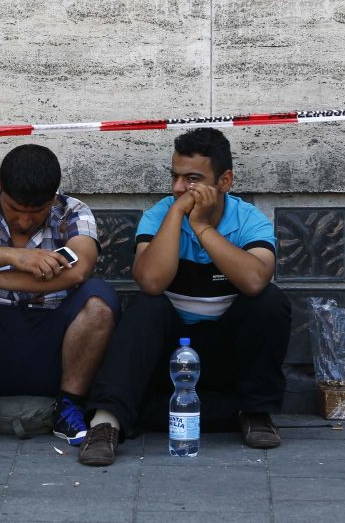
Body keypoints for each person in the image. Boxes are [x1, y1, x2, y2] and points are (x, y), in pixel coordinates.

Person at [78, 127, 292, 466]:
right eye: (175, 177)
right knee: (145, 306)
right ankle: (106, 424)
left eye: (192, 179)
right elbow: (150, 281)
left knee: (269, 301)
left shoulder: (248, 220)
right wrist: (178, 215)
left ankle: (254, 411)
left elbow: (254, 280)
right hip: (171, 356)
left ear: (224, 181)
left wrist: (204, 229)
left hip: (224, 356)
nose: (179, 188)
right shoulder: (161, 214)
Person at [0, 144, 119, 446]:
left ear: (52, 197)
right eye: (16, 210)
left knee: (98, 297)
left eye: (36, 212)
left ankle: (69, 406)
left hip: (54, 347)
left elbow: (79, 269)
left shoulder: (73, 212)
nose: (25, 222)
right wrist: (15, 256)